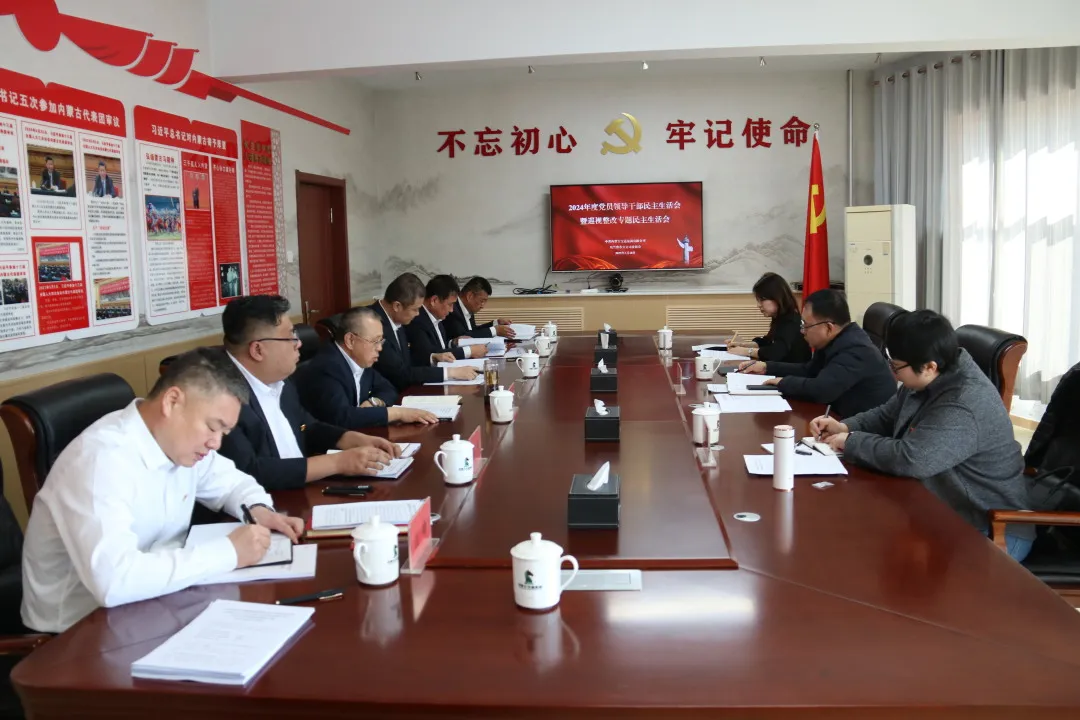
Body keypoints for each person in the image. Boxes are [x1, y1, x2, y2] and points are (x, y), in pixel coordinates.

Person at [20, 349, 305, 634]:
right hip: (78, 633)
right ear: (172, 402)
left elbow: (233, 483)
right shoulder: (100, 461)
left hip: (156, 606)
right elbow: (114, 580)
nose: (216, 443)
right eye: (212, 427)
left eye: (224, 433)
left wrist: (258, 509)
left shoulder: (178, 443)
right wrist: (229, 552)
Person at [810, 310, 1035, 562]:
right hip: (942, 509)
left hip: (988, 527)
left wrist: (851, 442)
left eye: (896, 367)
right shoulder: (928, 374)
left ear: (930, 367)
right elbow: (887, 415)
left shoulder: (964, 403)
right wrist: (844, 426)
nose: (894, 374)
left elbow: (913, 458)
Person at [217, 295, 400, 491]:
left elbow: (307, 427)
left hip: (302, 491)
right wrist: (338, 462)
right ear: (258, 350)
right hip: (267, 502)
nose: (299, 344)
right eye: (290, 337)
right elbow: (250, 471)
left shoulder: (280, 382)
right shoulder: (219, 397)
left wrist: (351, 439)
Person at [739, 289, 895, 417]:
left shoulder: (855, 350)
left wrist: (782, 382)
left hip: (866, 431)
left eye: (806, 325)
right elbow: (809, 370)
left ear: (828, 328)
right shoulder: (834, 340)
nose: (802, 331)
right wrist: (766, 367)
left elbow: (822, 390)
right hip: (838, 417)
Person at [297, 306, 439, 429]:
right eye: (375, 341)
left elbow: (388, 388)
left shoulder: (359, 359)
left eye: (381, 341)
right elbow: (342, 417)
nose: (379, 348)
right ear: (350, 340)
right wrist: (397, 413)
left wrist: (374, 402)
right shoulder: (327, 367)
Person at [369, 273, 481, 391]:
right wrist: (450, 372)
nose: (418, 313)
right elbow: (399, 373)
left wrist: (432, 358)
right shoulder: (372, 323)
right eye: (415, 309)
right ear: (397, 306)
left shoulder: (396, 318)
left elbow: (405, 362)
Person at [406, 275, 491, 366]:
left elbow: (441, 347)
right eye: (450, 304)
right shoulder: (417, 320)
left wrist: (453, 343)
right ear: (434, 300)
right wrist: (469, 351)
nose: (451, 310)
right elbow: (431, 354)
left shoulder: (437, 317)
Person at [728, 272, 811, 364]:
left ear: (777, 297)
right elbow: (768, 341)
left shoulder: (791, 321)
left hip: (792, 371)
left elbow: (776, 352)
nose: (759, 305)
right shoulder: (780, 317)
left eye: (762, 300)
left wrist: (747, 351)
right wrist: (743, 345)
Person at [444, 276, 515, 340]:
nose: (482, 306)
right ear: (470, 296)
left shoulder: (467, 308)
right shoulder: (452, 310)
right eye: (482, 301)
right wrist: (494, 331)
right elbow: (463, 337)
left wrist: (496, 323)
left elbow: (474, 332)